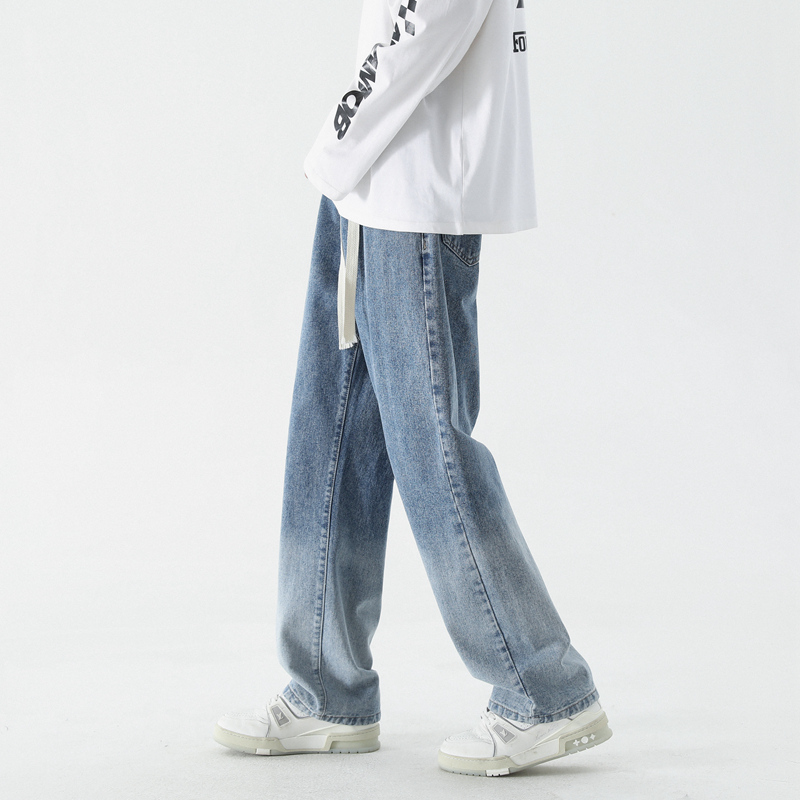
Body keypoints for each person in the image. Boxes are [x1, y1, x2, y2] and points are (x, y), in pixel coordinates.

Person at [213, 0, 611, 777]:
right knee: (330, 430)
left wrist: (337, 140)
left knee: (433, 449)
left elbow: (427, 20)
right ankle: (325, 684)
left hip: (412, 188)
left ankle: (544, 688)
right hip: (376, 184)